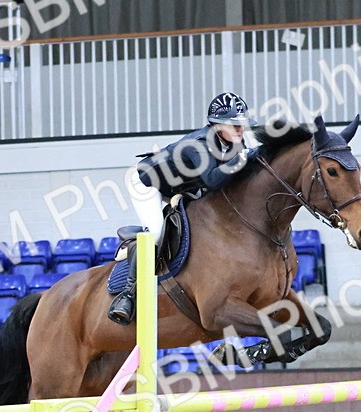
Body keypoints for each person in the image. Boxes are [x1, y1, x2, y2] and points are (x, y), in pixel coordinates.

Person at [107, 92, 259, 325]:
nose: (241, 130)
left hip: (183, 186)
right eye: (235, 125)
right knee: (156, 233)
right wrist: (242, 159)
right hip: (147, 184)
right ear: (218, 125)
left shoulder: (234, 142)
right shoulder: (199, 145)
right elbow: (212, 180)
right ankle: (127, 295)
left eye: (242, 125)